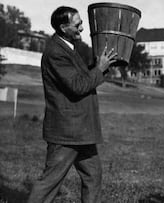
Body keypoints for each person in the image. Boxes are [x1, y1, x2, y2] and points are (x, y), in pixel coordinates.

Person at [28, 6, 117, 203]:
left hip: (81, 130)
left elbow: (82, 77)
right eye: (77, 25)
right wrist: (99, 69)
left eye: (81, 23)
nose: (82, 29)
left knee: (93, 176)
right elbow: (77, 86)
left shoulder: (69, 47)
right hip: (67, 131)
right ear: (63, 27)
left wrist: (100, 67)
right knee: (50, 182)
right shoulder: (55, 53)